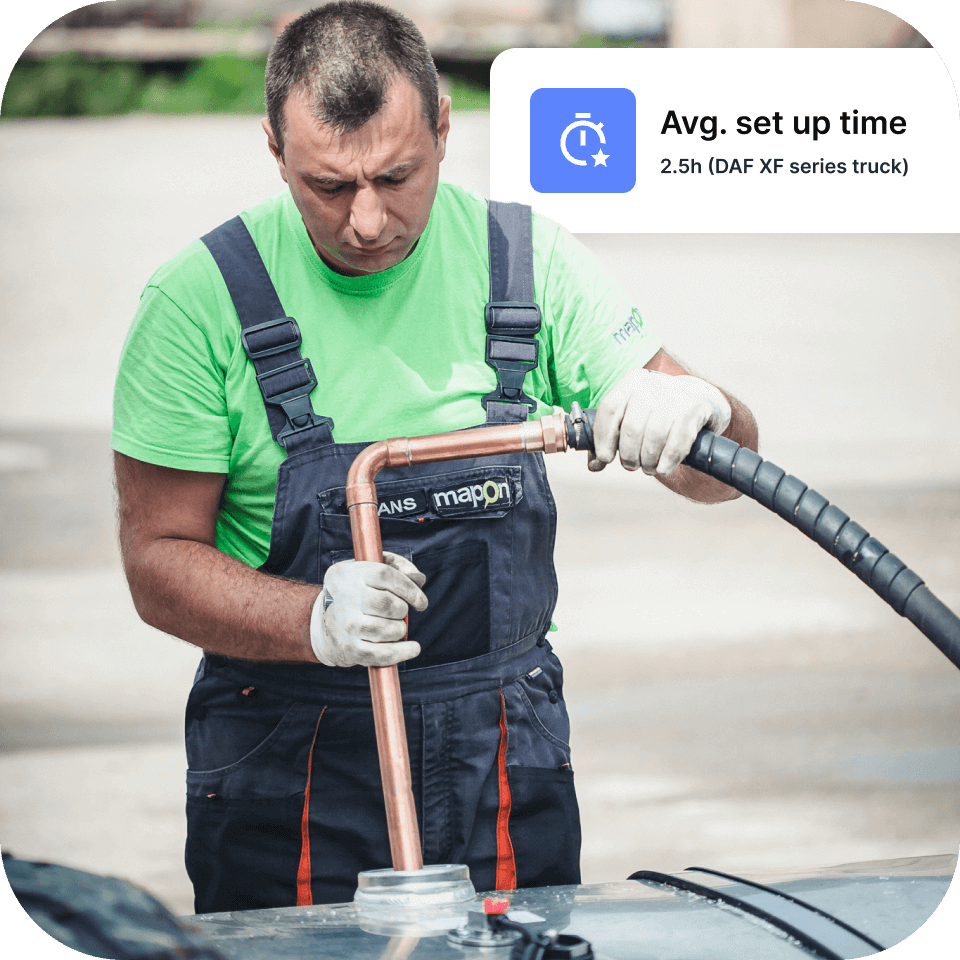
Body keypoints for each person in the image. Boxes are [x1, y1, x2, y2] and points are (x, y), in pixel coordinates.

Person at [112, 2, 758, 913]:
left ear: (445, 126)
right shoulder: (198, 302)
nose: (367, 220)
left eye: (395, 176)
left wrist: (700, 414)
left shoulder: (524, 265)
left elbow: (727, 468)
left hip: (502, 751)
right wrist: (313, 621)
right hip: (291, 766)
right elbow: (156, 561)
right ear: (273, 148)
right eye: (327, 186)